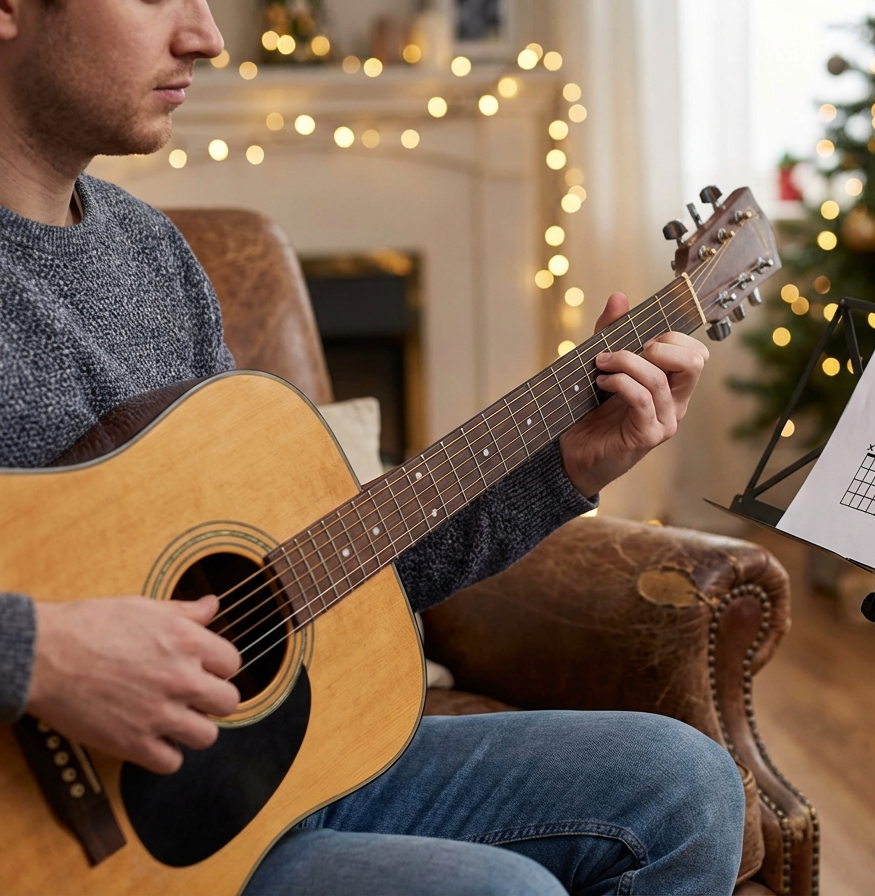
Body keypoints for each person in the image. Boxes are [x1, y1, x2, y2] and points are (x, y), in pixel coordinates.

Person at [0, 0, 746, 894]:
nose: (206, 35)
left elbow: (312, 571)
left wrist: (564, 468)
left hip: (267, 778)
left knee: (686, 787)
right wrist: (43, 654)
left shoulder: (150, 254)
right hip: (77, 850)